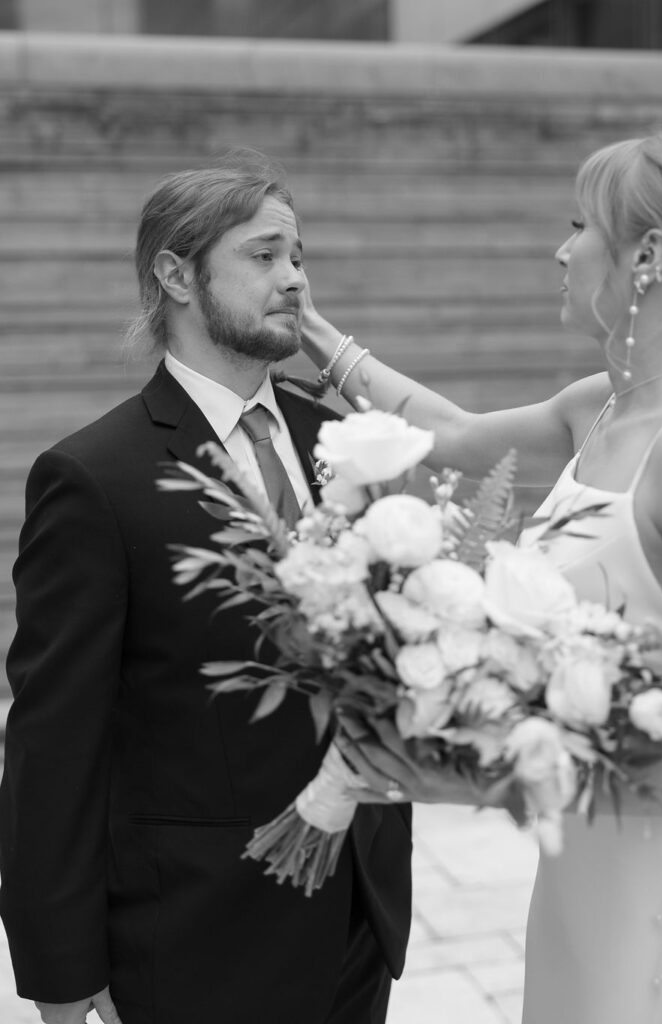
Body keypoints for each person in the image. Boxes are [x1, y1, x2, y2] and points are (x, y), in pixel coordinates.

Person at [299, 127, 662, 1022]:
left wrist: (494, 773)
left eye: (580, 225)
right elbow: (450, 434)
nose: (562, 250)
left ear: (648, 258)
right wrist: (312, 331)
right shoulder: (606, 403)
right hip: (588, 871)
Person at [0, 154, 411, 1024]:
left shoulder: (343, 442)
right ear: (176, 274)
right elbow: (53, 743)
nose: (293, 279)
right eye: (263, 256)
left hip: (359, 921)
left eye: (298, 256)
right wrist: (60, 972)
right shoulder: (93, 478)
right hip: (194, 936)